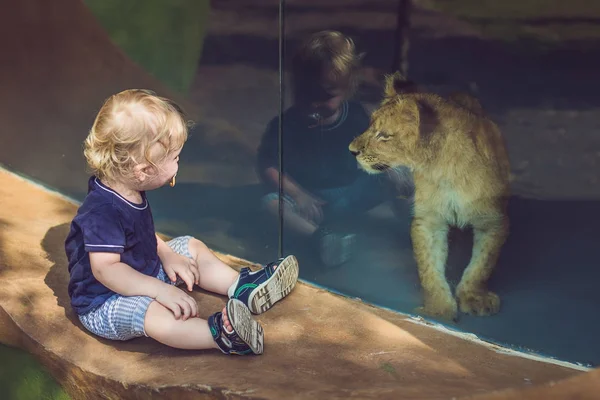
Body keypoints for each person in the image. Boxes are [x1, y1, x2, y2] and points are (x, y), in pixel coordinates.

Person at [65, 89, 299, 356]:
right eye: (175, 157)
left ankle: (243, 288)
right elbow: (106, 270)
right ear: (144, 170)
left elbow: (139, 234)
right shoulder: (103, 211)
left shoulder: (127, 187)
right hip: (106, 300)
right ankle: (221, 335)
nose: (179, 162)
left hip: (144, 273)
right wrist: (160, 291)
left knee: (189, 246)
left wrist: (166, 253)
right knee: (152, 313)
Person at [256, 30, 413, 266]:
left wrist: (390, 170)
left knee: (397, 174)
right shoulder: (287, 124)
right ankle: (320, 241)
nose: (314, 102)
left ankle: (416, 227)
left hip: (351, 193)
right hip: (311, 202)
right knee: (271, 204)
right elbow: (268, 164)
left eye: (326, 95)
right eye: (306, 93)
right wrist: (299, 195)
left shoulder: (356, 116)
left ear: (347, 90)